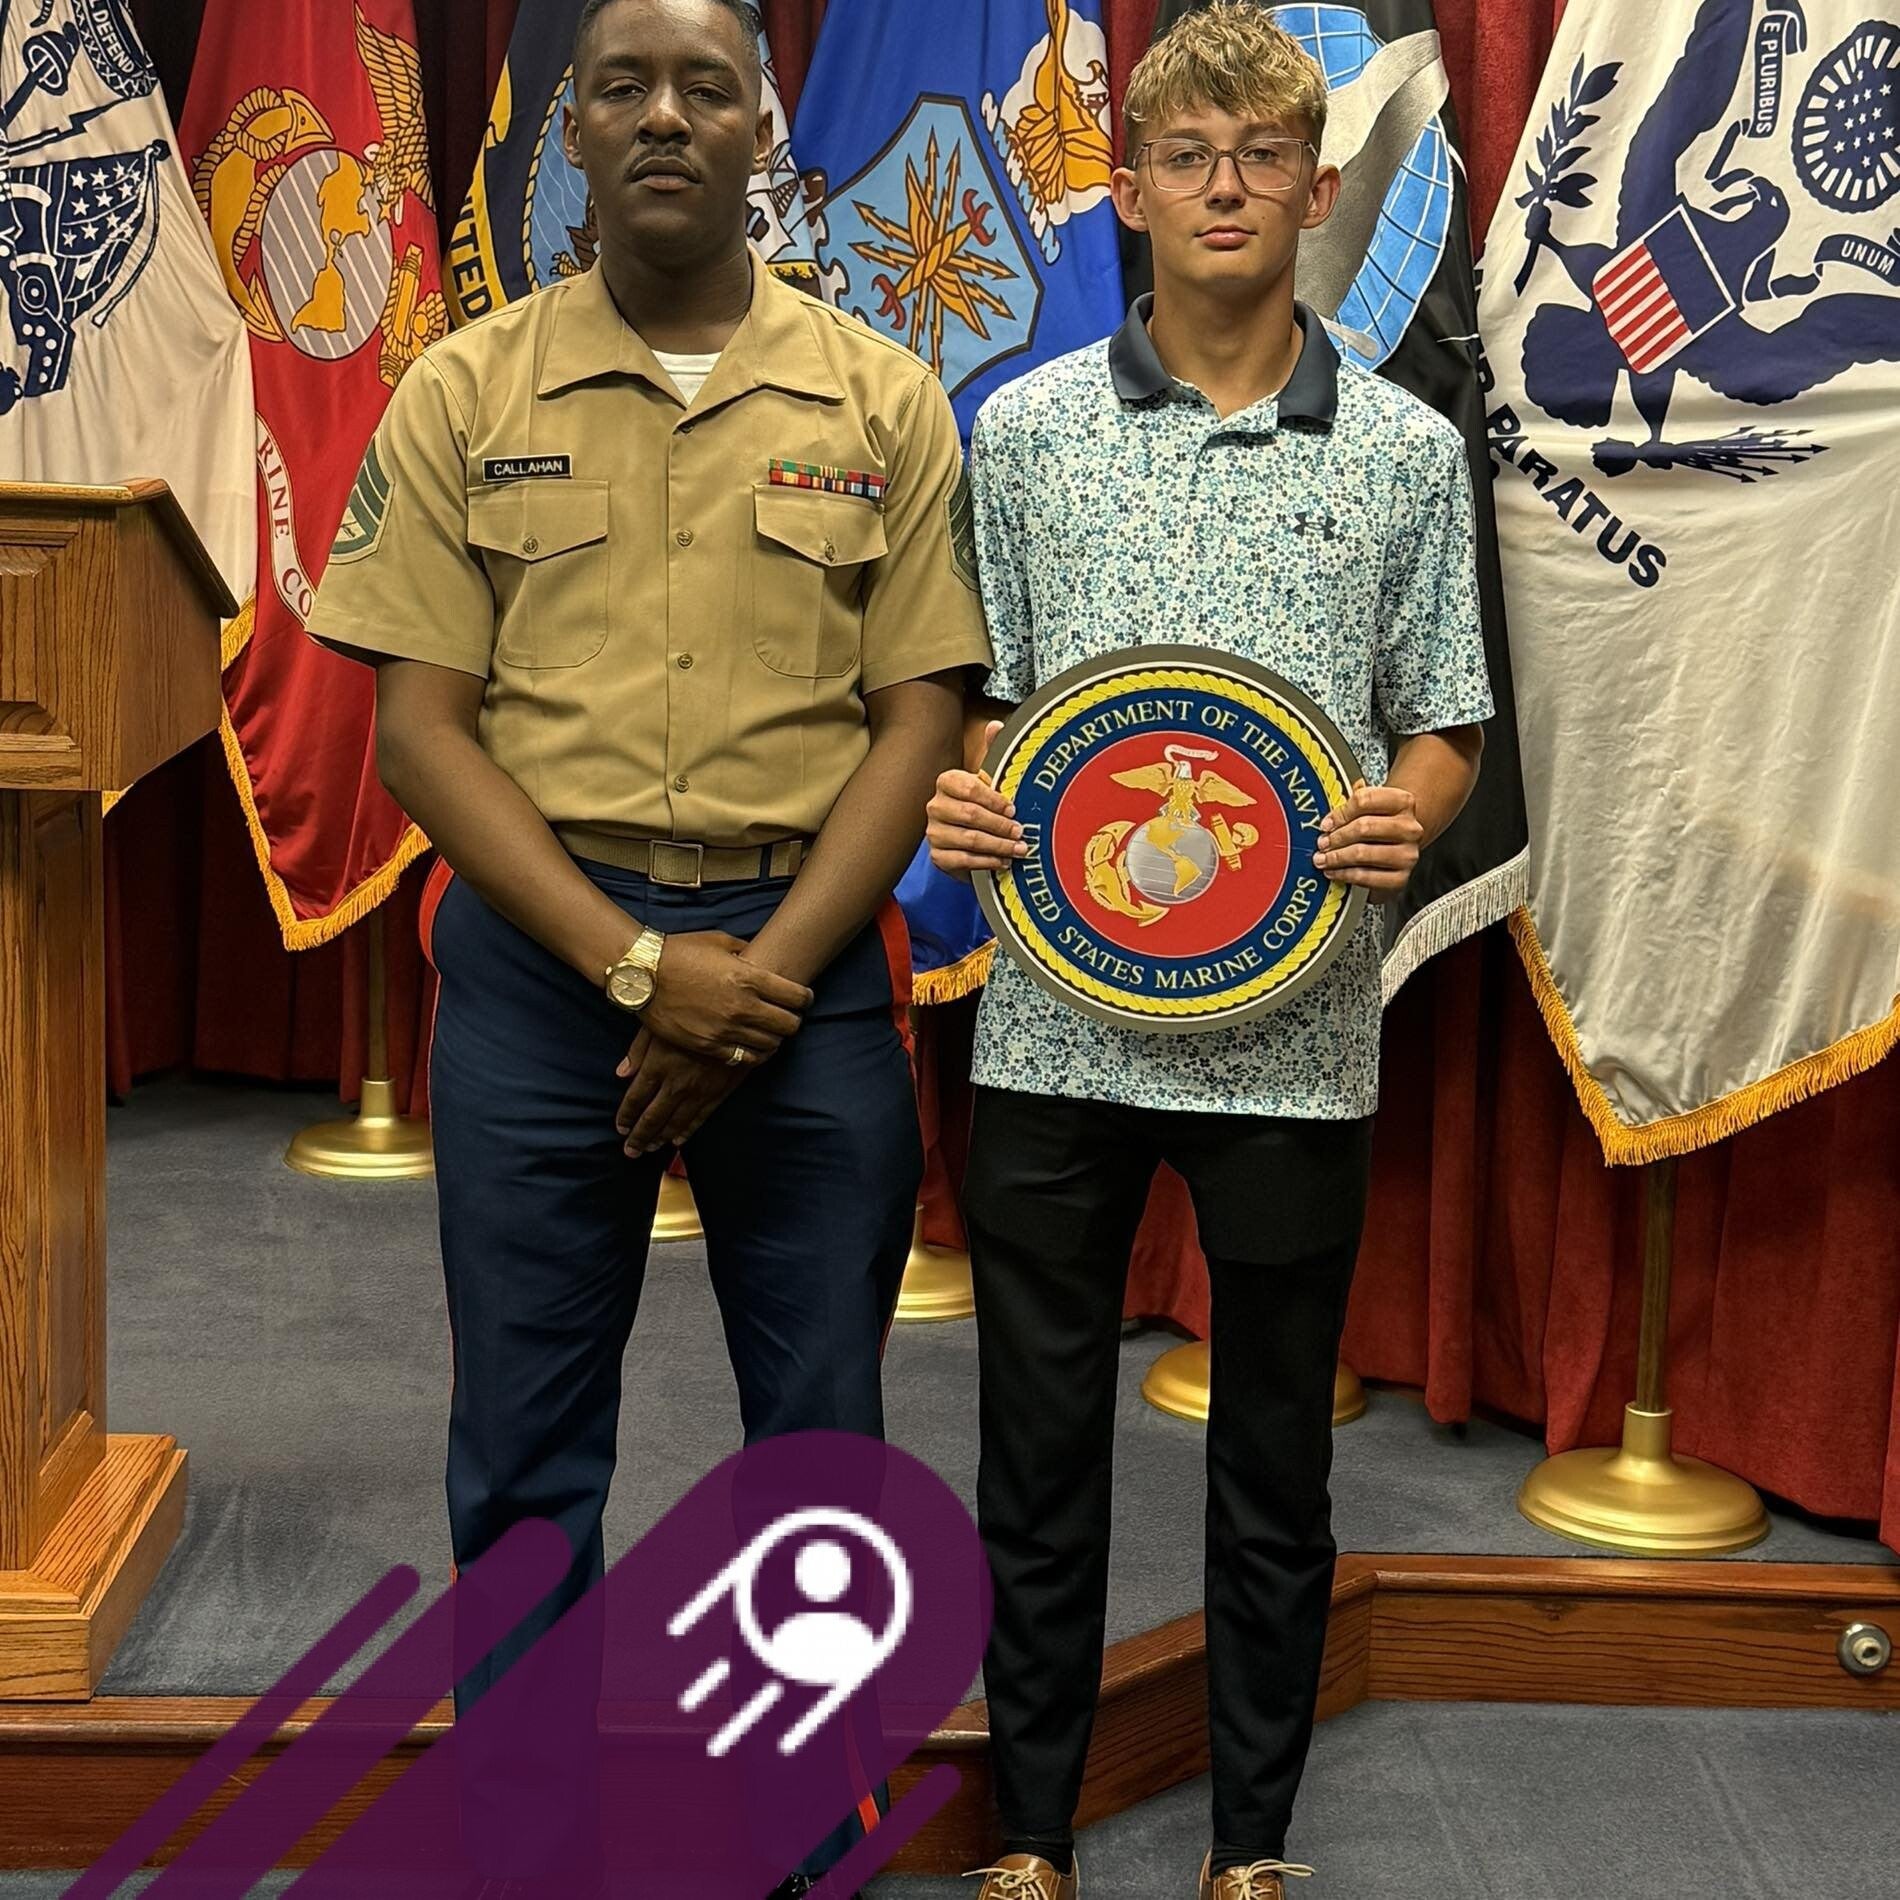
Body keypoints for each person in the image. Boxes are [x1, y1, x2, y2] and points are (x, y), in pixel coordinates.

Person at [309, 0, 991, 1890]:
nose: (666, 117)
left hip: (806, 968)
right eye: (625, 86)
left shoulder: (883, 398)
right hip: (545, 978)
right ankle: (528, 1851)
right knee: (525, 1456)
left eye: (707, 86)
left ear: (764, 126)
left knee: (820, 1452)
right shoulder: (465, 392)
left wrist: (752, 983)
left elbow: (920, 719)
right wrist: (640, 973)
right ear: (576, 129)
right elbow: (421, 735)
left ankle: (802, 1842)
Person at [925, 8, 1493, 1897]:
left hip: (1296, 1038)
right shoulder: (1023, 433)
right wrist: (968, 793)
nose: (1226, 186)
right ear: (1130, 190)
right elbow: (980, 700)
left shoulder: (1405, 451)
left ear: (1319, 193)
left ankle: (1252, 1849)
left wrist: (1408, 811)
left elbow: (1444, 722)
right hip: (1053, 1029)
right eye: (1188, 156)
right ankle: (1032, 1839)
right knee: (1037, 1455)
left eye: (1261, 155)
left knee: (1273, 1466)